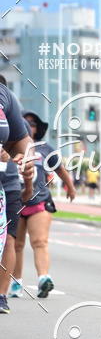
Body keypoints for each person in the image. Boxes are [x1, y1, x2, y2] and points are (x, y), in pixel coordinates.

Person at [12, 111, 76, 299]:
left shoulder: (44, 148)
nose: (29, 126)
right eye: (25, 122)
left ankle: (43, 279)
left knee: (39, 241)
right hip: (15, 203)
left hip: (39, 202)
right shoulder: (8, 148)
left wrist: (70, 187)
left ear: (37, 128)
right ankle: (16, 283)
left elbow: (60, 169)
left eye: (32, 123)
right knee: (16, 245)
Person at [0, 78, 34, 314]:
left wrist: (27, 156)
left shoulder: (4, 95)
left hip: (5, 182)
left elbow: (21, 139)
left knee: (8, 238)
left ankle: (1, 294)